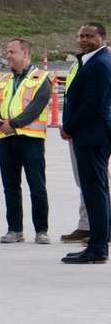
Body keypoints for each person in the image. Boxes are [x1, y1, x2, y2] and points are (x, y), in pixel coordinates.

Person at [0, 38, 52, 245]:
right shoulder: (4, 80)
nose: (7, 55)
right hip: (7, 139)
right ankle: (14, 229)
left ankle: (41, 230)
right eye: (7, 52)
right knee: (11, 187)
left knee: (37, 186)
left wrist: (13, 124)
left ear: (25, 54)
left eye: (12, 52)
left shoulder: (40, 78)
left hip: (30, 139)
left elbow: (36, 106)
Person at [60, 22, 111, 264]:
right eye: (80, 35)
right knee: (95, 190)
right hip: (89, 134)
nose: (83, 40)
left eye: (89, 36)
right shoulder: (88, 61)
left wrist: (69, 126)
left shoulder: (100, 63)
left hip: (92, 136)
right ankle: (98, 243)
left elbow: (93, 104)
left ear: (103, 38)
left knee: (94, 191)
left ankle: (98, 247)